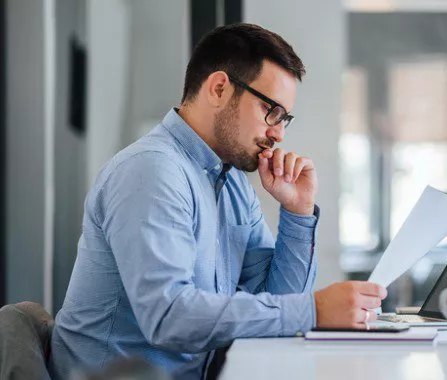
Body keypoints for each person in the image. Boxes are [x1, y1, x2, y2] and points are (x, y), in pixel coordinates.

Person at [49, 23, 387, 379]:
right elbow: (168, 317)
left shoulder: (233, 184)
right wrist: (313, 311)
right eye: (271, 111)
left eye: (285, 118)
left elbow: (277, 299)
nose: (279, 133)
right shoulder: (151, 171)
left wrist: (298, 211)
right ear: (220, 88)